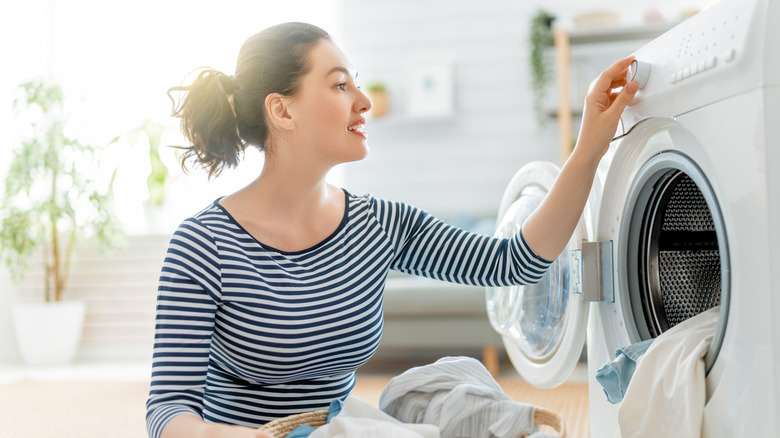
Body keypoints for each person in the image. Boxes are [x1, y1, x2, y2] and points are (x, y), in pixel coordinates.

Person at [145, 21, 638, 438]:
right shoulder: (203, 246)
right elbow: (168, 412)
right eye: (340, 85)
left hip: (339, 431)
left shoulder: (378, 224)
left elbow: (514, 261)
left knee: (451, 383)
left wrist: (590, 146)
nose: (364, 102)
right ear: (282, 110)